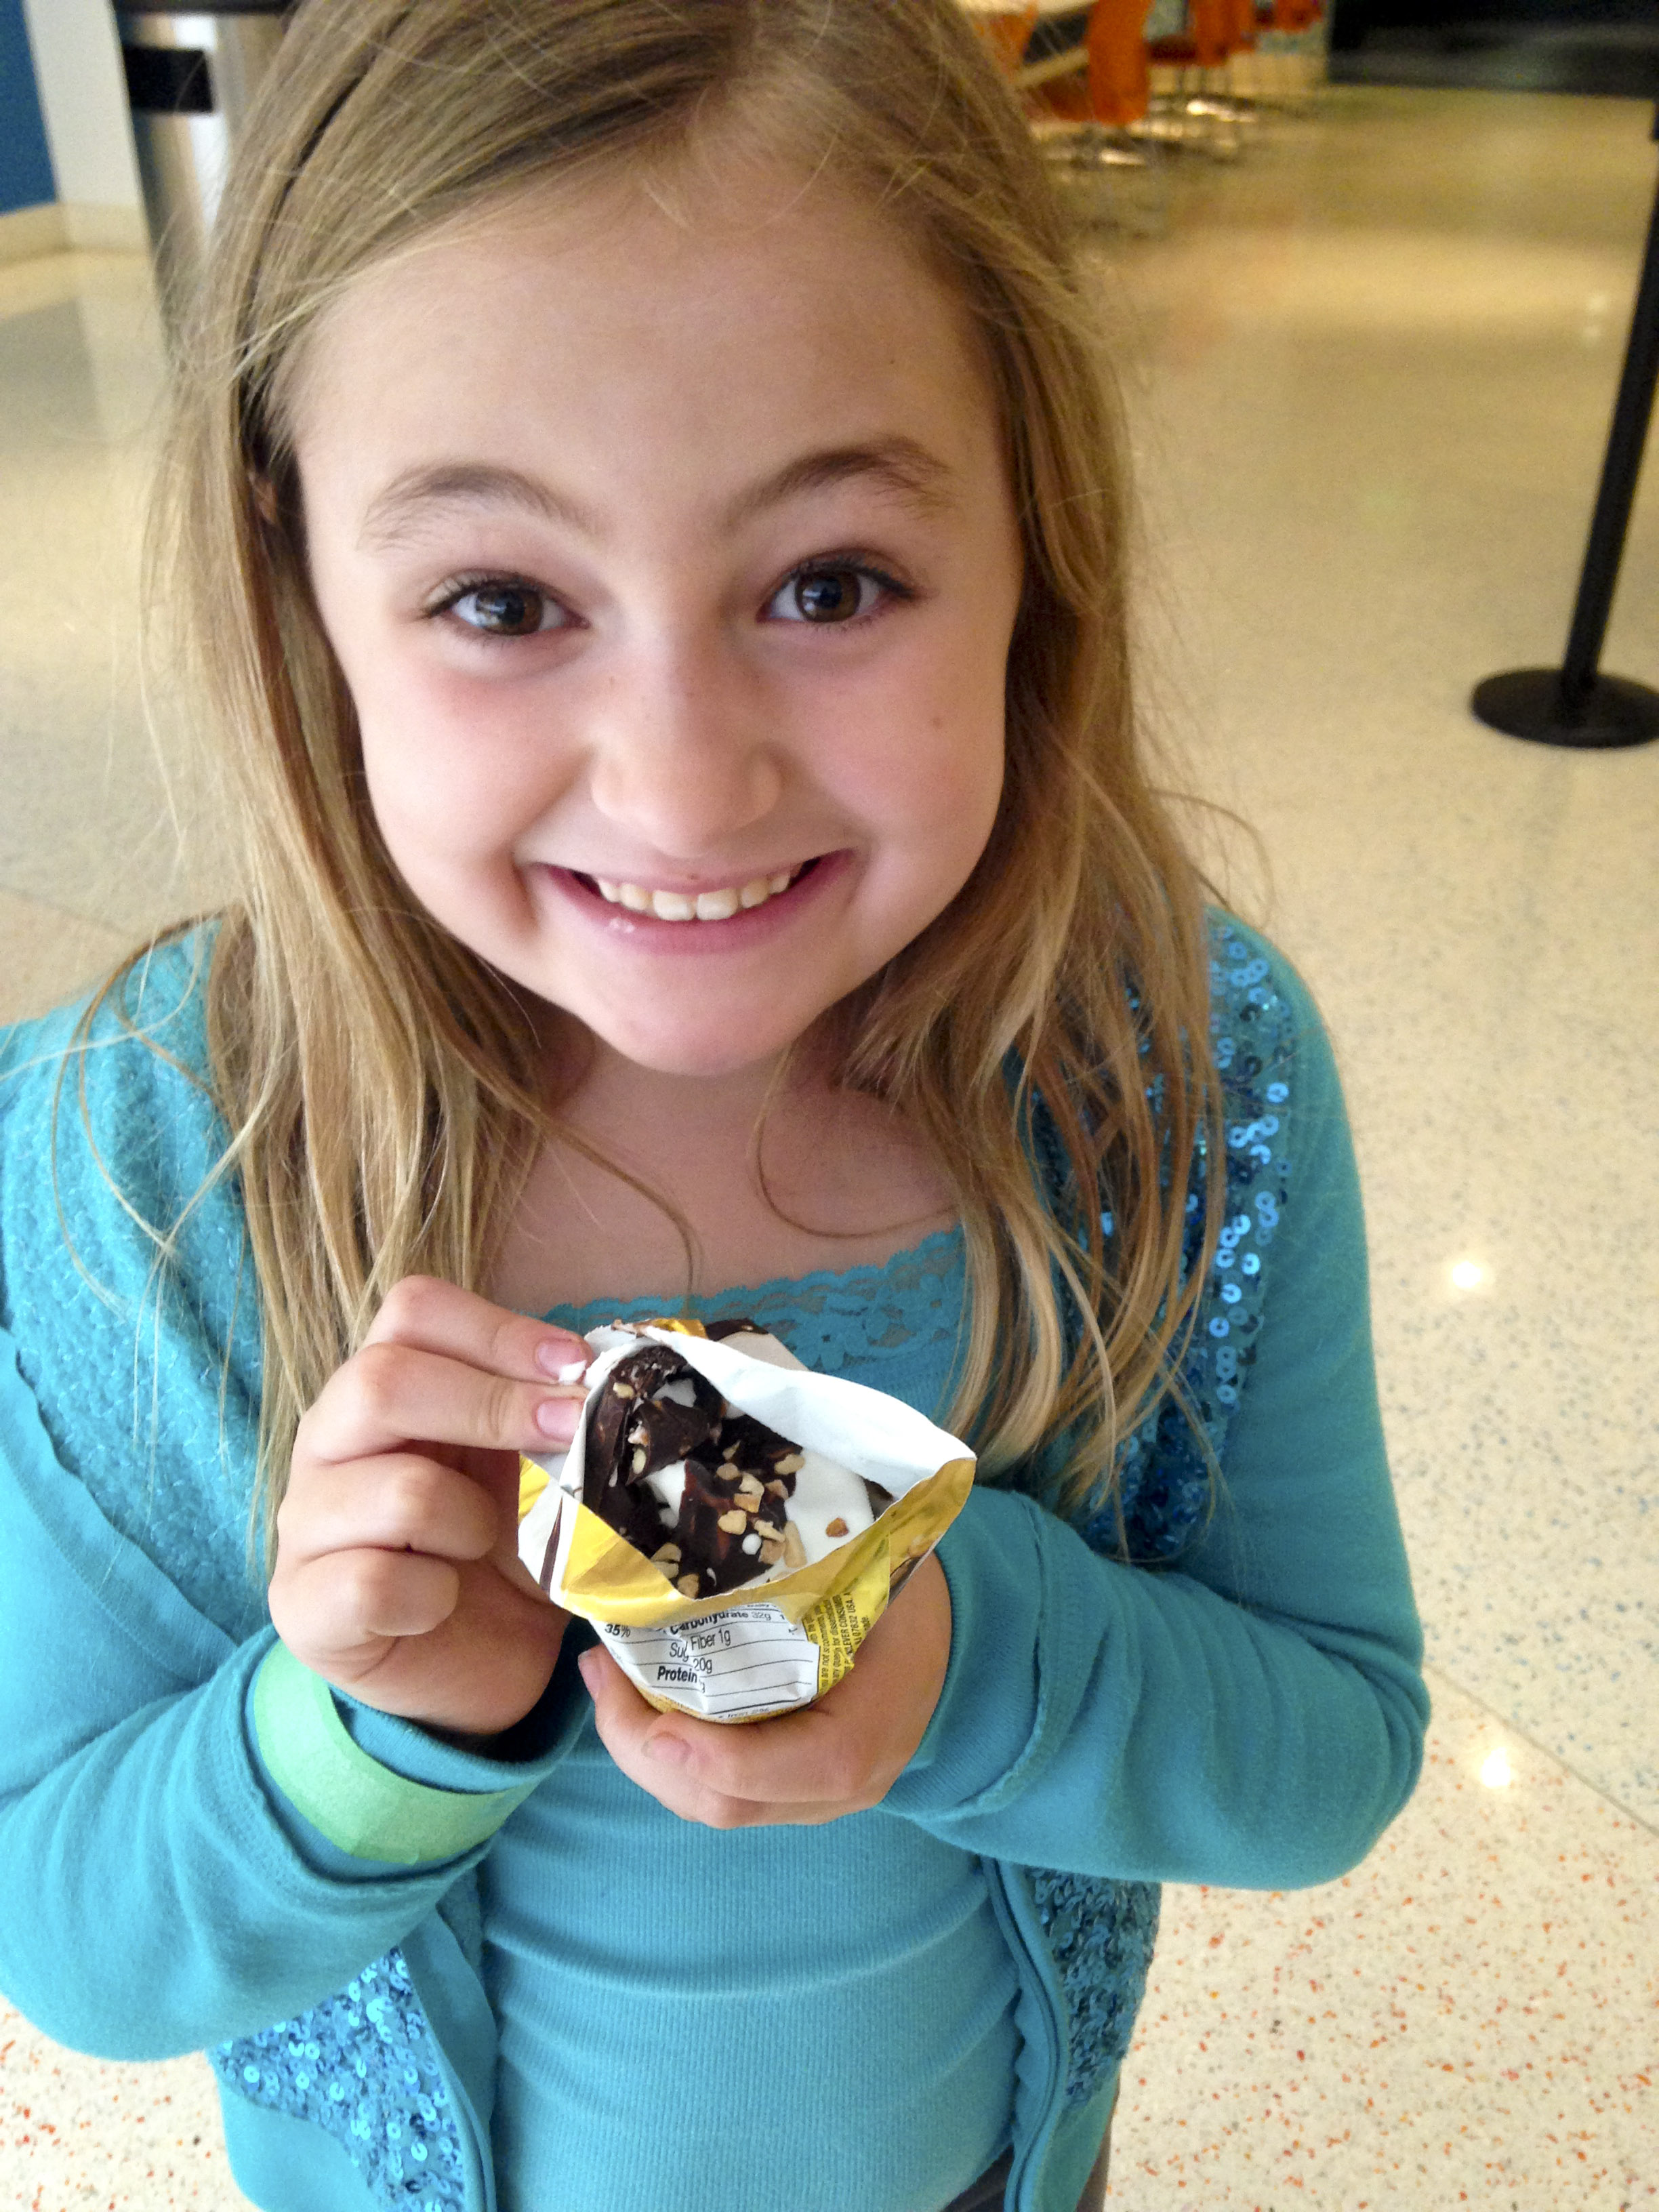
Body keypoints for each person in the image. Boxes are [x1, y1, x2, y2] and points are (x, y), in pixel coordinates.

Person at [0, 3, 1428, 2209]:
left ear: (1037, 540)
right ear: (303, 592)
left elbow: (1329, 1751)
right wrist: (381, 1726)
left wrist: (952, 1660)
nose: (683, 790)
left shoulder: (1176, 1076)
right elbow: (76, 1944)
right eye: (502, 601)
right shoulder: (142, 1160)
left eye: (829, 585)